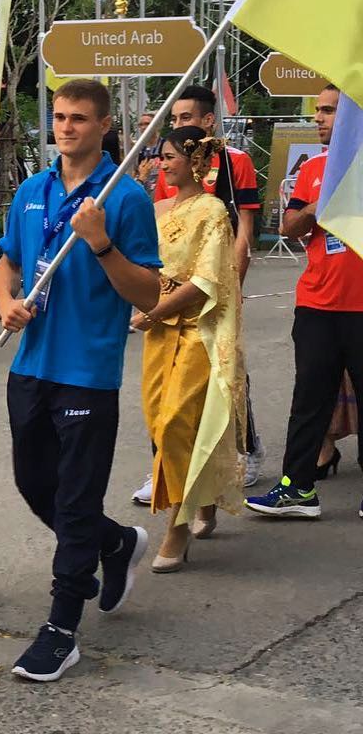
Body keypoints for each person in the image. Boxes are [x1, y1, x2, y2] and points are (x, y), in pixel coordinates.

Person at [0, 79, 161, 683]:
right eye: (60, 117)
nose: (66, 128)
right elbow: (7, 259)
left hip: (87, 371)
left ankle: (62, 629)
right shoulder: (32, 190)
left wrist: (102, 244)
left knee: (74, 497)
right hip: (30, 365)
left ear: (104, 125)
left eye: (80, 119)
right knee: (33, 483)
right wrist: (7, 299)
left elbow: (147, 291)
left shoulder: (126, 197)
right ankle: (115, 545)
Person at [132, 85, 264, 504]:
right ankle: (169, 473)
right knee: (165, 395)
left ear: (208, 121)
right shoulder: (167, 173)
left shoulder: (235, 161)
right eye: (173, 119)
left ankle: (243, 449)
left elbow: (244, 224)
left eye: (186, 118)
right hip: (174, 290)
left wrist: (233, 278)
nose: (177, 125)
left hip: (216, 280)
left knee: (226, 374)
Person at [247, 86, 363, 521]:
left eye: (329, 111)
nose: (319, 118)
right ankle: (297, 488)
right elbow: (290, 227)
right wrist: (318, 203)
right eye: (318, 110)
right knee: (309, 398)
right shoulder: (313, 168)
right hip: (318, 304)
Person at [132, 128, 245, 571]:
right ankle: (204, 497)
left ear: (196, 160)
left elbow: (207, 280)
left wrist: (156, 310)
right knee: (159, 424)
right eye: (160, 157)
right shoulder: (157, 209)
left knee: (179, 419)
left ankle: (176, 527)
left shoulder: (213, 209)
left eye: (171, 156)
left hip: (199, 330)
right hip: (159, 331)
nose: (163, 164)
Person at [135, 111, 162, 198]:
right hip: (143, 192)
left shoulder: (165, 146)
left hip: (160, 193)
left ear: (157, 125)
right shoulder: (138, 149)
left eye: (147, 124)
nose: (143, 127)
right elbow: (134, 172)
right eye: (141, 124)